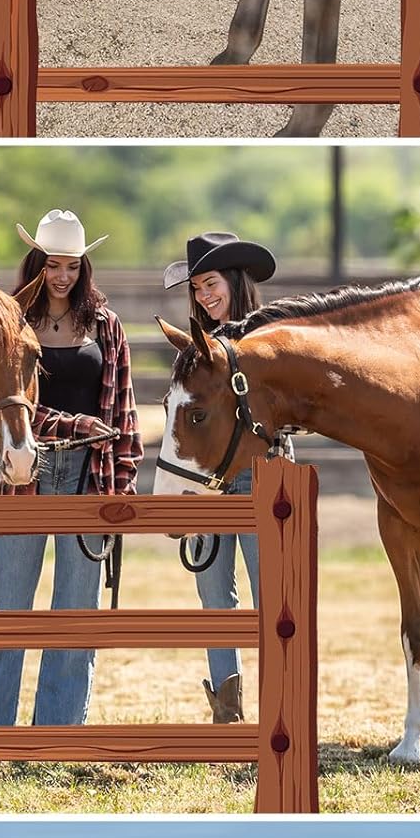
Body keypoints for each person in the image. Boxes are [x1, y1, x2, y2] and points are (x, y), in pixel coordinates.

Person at [0, 209, 143, 728]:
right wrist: (76, 424)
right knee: (7, 607)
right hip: (29, 469)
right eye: (52, 265)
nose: (62, 276)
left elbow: (124, 412)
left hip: (91, 474)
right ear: (36, 264)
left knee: (76, 612)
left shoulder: (106, 326)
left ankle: (59, 732)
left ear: (83, 267)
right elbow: (8, 402)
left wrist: (123, 486)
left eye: (71, 265)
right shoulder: (13, 324)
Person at [161, 232, 278, 724]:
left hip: (258, 476)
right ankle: (227, 715)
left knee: (271, 593)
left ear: (233, 280)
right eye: (197, 289)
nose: (204, 296)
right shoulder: (194, 351)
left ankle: (279, 703)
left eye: (211, 284)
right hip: (209, 480)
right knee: (214, 595)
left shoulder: (270, 339)